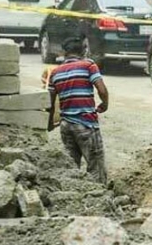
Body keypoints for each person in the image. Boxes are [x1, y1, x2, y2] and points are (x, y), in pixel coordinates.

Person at [47, 37, 110, 185]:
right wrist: (105, 104)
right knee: (96, 167)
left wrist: (49, 123)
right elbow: (102, 89)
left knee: (71, 167)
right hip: (85, 124)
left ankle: (73, 196)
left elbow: (49, 103)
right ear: (83, 51)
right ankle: (99, 198)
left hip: (65, 126)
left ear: (64, 53)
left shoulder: (55, 72)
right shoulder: (88, 65)